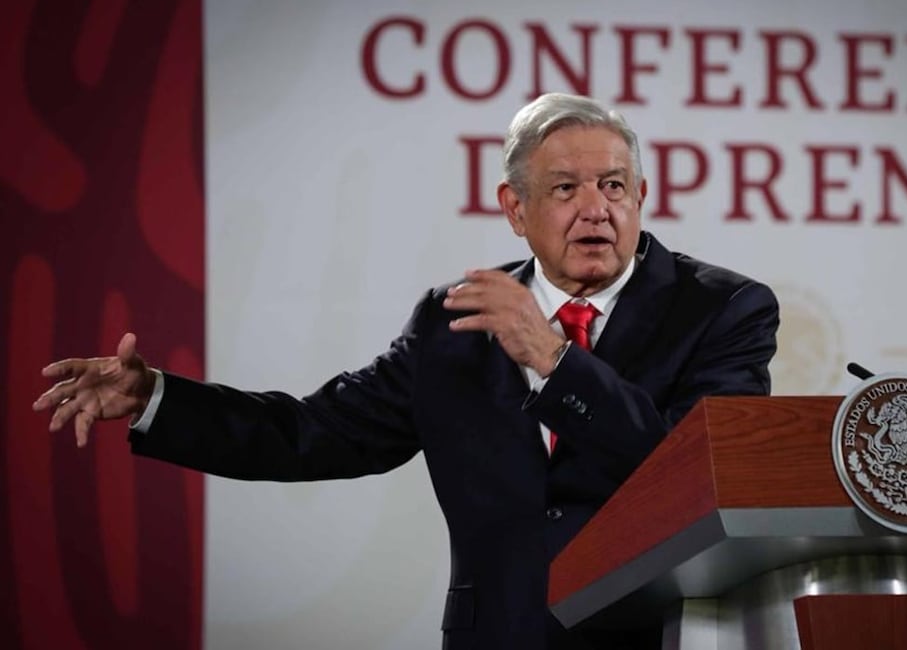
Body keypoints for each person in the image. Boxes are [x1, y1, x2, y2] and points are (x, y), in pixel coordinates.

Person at [33, 93, 779, 649]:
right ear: (514, 210)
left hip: (654, 637)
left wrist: (552, 360)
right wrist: (156, 397)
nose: (596, 209)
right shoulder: (453, 321)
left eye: (614, 186)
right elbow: (315, 433)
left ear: (642, 197)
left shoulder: (722, 309)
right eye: (565, 189)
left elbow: (698, 472)